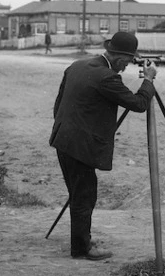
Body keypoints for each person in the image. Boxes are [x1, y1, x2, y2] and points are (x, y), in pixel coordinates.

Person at [49, 31, 157, 260]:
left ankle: (82, 239)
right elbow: (139, 104)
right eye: (127, 62)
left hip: (63, 139)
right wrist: (148, 80)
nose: (126, 67)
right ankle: (81, 248)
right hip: (79, 146)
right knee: (84, 196)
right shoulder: (108, 78)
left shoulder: (77, 65)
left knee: (79, 193)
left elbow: (57, 105)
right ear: (119, 58)